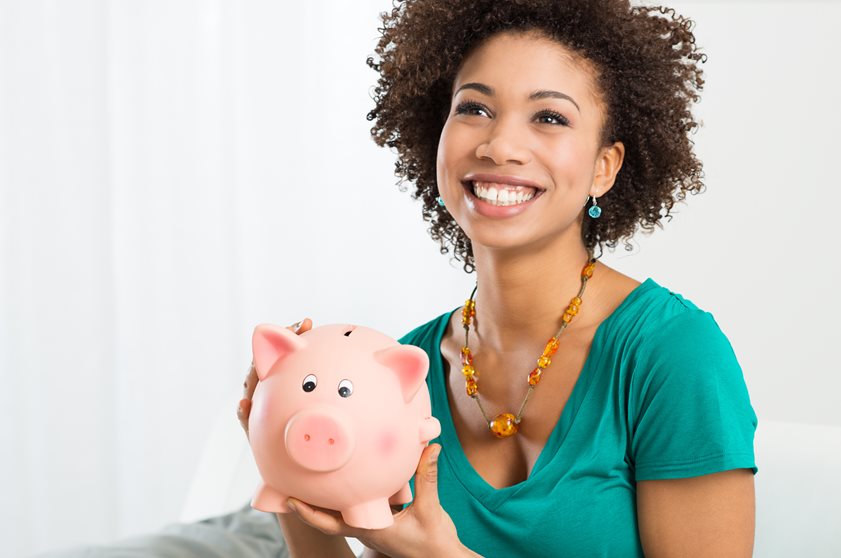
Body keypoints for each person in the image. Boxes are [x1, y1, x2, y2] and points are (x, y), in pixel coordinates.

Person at [236, 1, 758, 557]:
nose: (499, 145)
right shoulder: (402, 369)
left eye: (549, 117)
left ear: (604, 167)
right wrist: (289, 471)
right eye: (474, 108)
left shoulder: (671, 355)